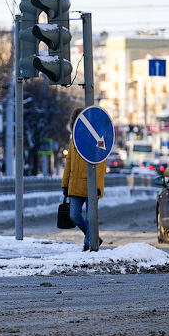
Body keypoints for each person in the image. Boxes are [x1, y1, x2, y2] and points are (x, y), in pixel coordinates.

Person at [62, 106, 107, 251]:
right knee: (74, 215)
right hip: (75, 185)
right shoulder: (74, 138)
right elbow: (68, 161)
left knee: (90, 218)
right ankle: (94, 237)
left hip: (92, 184)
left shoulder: (97, 137)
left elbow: (101, 162)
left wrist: (98, 184)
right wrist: (65, 184)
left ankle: (89, 243)